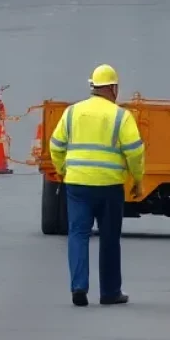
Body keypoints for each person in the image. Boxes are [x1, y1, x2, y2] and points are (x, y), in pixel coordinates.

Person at [49, 64, 145, 307]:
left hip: (77, 184)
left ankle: (79, 287)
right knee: (110, 238)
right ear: (113, 88)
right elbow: (134, 151)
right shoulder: (121, 116)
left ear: (93, 86)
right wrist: (137, 178)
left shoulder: (72, 112)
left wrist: (63, 169)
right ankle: (110, 292)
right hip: (110, 186)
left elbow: (56, 145)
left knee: (78, 234)